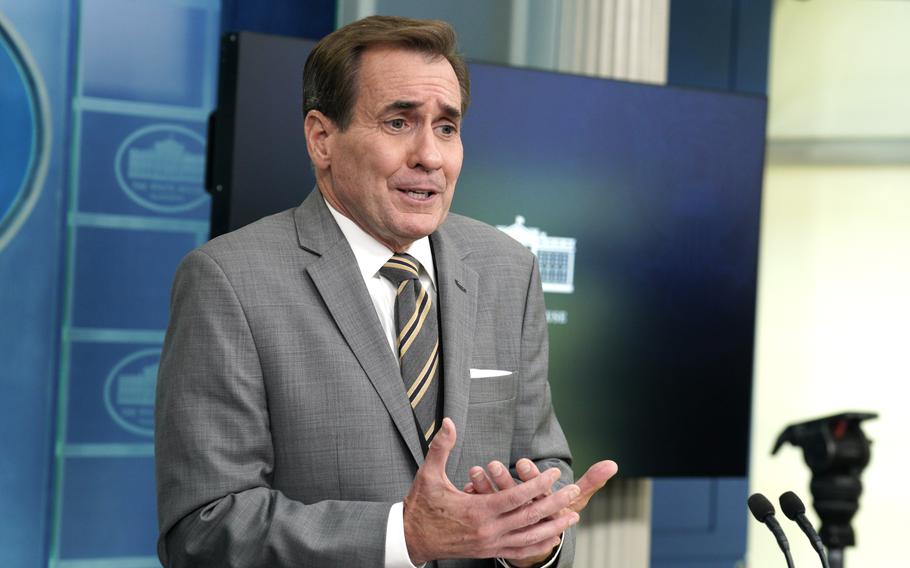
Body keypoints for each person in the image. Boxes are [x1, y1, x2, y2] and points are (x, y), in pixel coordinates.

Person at [155, 15, 617, 568]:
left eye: (447, 127)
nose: (430, 156)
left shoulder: (507, 269)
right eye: (399, 123)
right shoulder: (227, 280)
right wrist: (404, 536)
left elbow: (541, 464)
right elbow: (202, 532)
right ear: (321, 138)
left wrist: (535, 540)